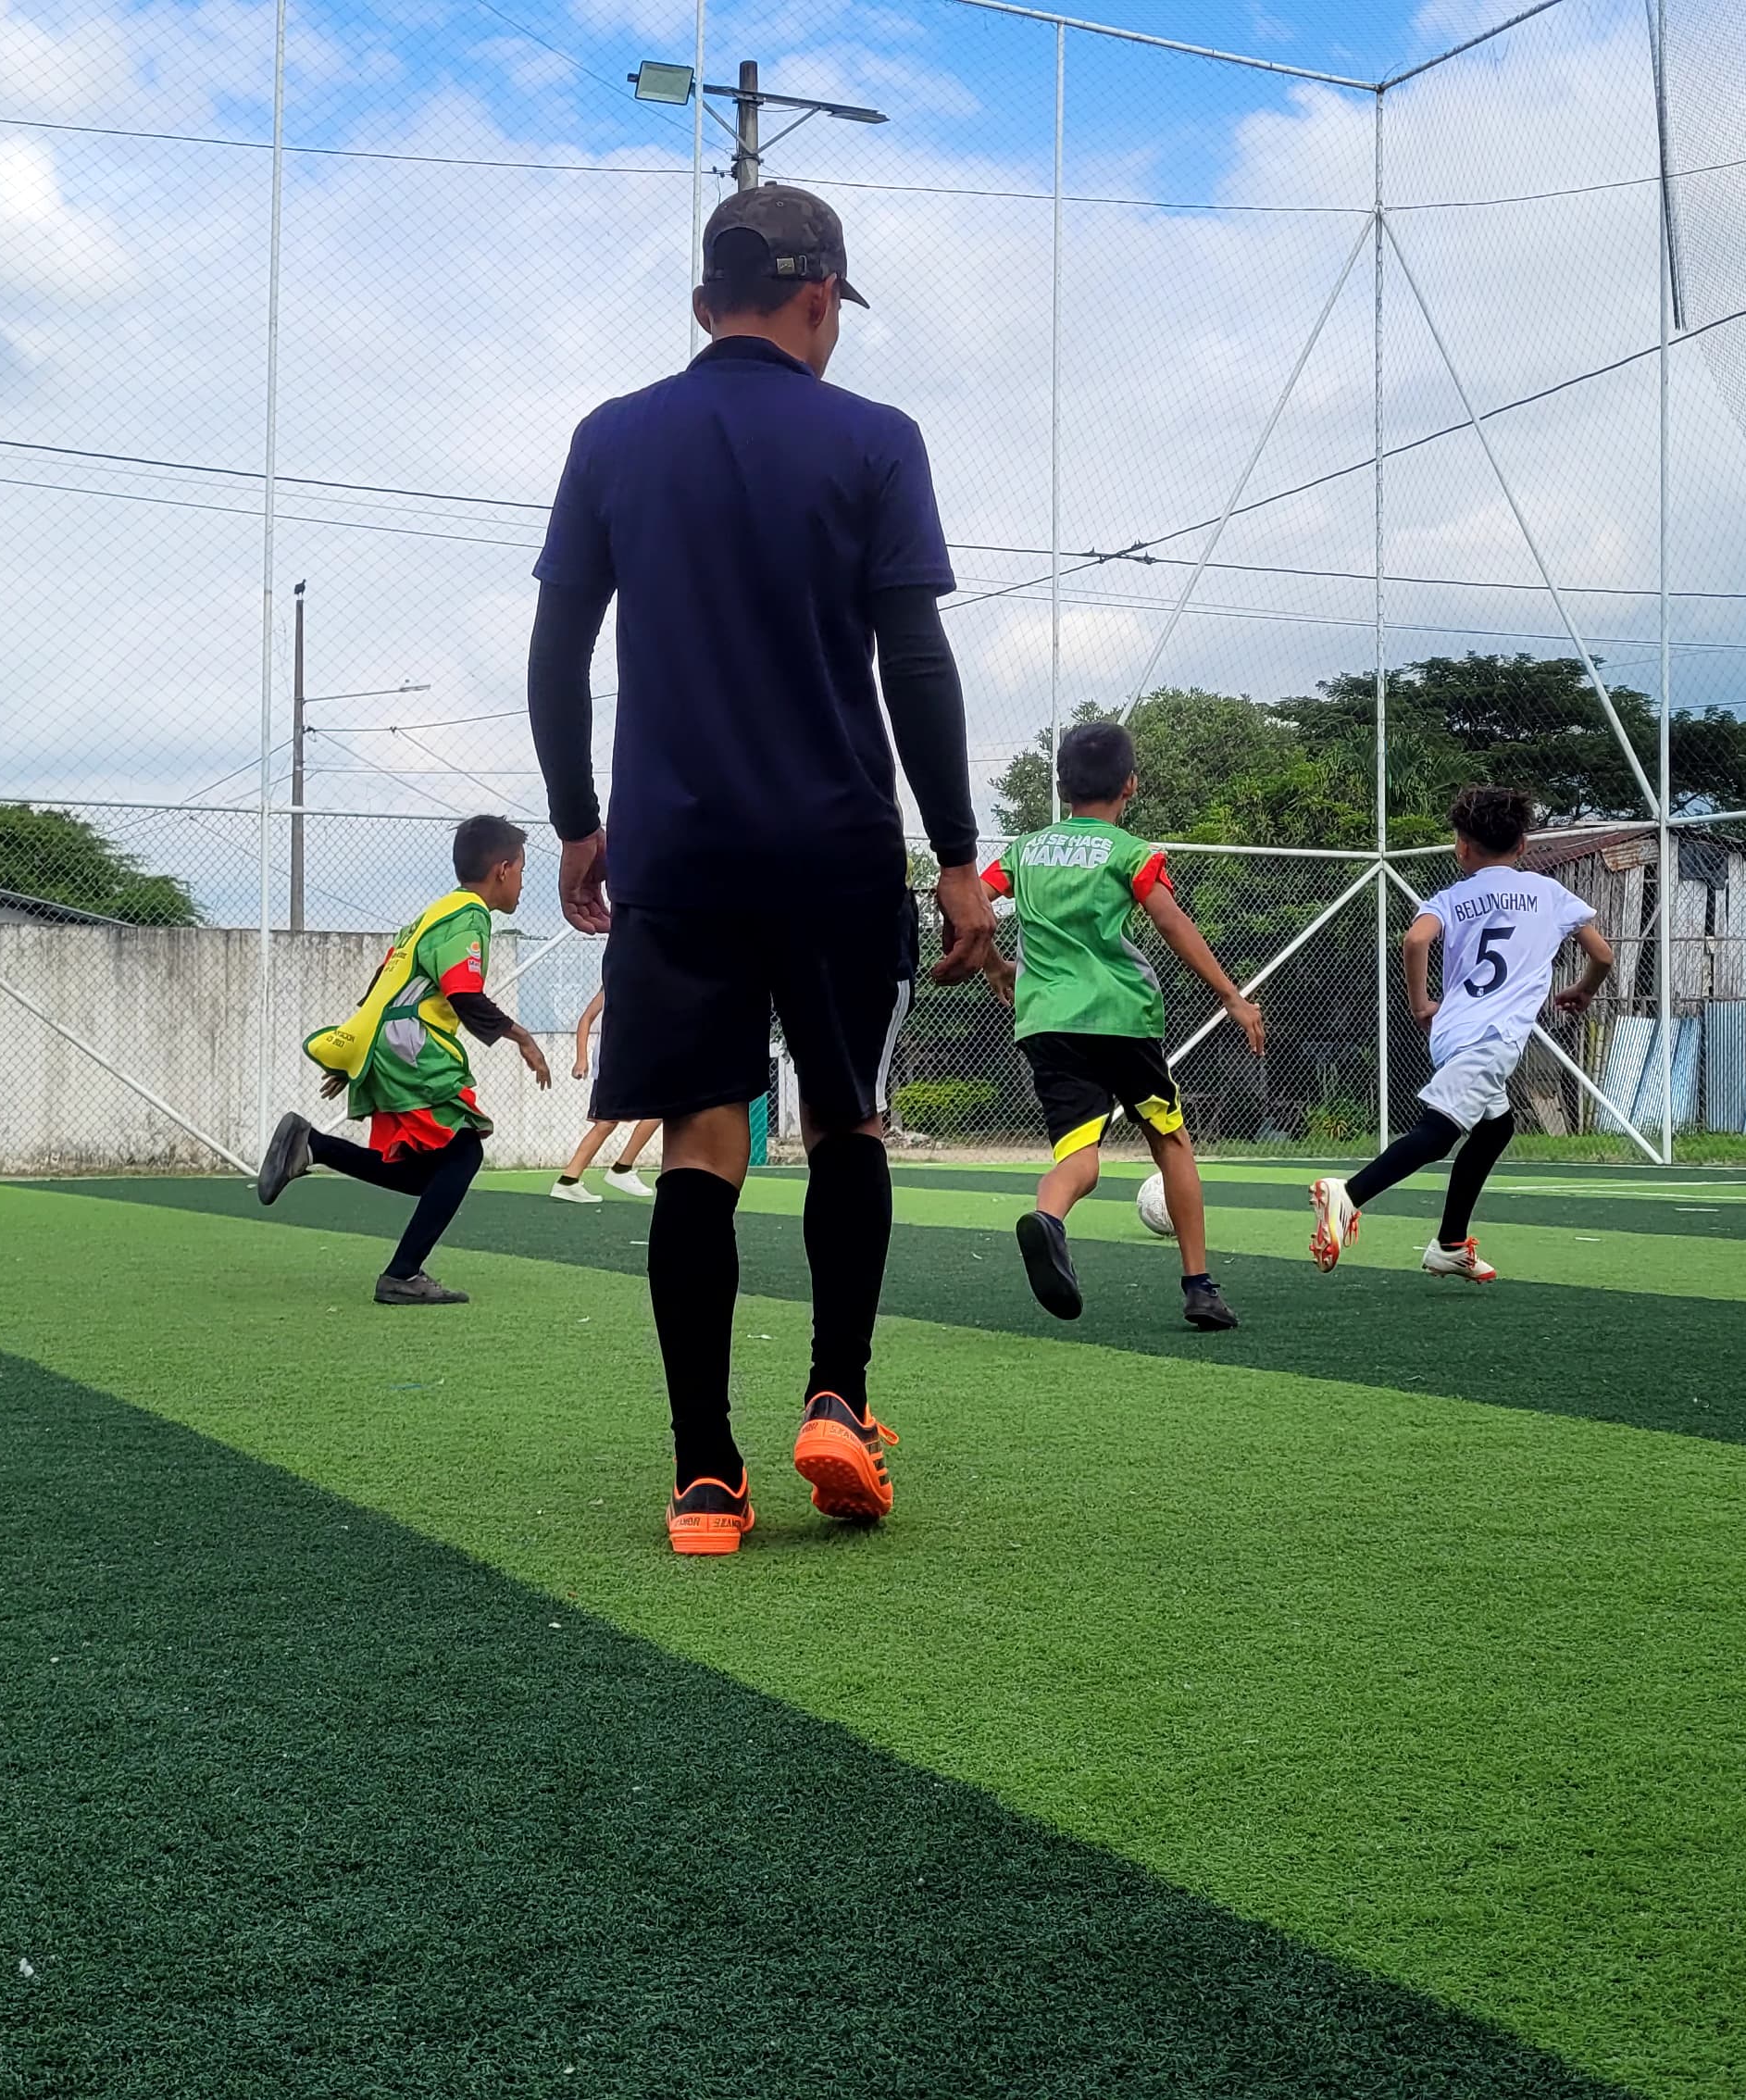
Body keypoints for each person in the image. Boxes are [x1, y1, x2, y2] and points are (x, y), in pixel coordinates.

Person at [525, 183, 997, 1556]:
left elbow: (557, 654)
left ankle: (703, 1480)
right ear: (819, 299)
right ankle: (838, 1401)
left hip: (677, 853)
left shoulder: (612, 437)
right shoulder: (876, 440)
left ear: (702, 305)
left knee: (700, 1142)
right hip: (835, 848)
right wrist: (957, 857)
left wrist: (578, 821)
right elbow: (916, 662)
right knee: (848, 1122)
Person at [990, 719, 1265, 1331]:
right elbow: (1171, 921)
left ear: (1061, 787)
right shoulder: (1133, 853)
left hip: (1046, 1022)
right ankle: (1199, 1287)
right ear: (1131, 785)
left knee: (1079, 1156)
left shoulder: (1022, 852)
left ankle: (1049, 1219)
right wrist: (1231, 996)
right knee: (1170, 1141)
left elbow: (968, 907)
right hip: (1122, 1019)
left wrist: (995, 967)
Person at [1304, 786, 1614, 1281]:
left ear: (1462, 848)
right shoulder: (1549, 893)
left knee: (1495, 1129)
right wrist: (1583, 989)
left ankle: (1450, 1244)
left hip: (1453, 1030)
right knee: (1438, 1134)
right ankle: (1348, 1195)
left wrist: (1420, 1004)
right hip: (1492, 1038)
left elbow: (1416, 939)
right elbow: (1603, 955)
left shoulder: (1449, 898)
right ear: (1523, 846)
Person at [254, 815, 553, 1302]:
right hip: (413, 1047)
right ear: (502, 870)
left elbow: (383, 984)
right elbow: (463, 993)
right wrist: (522, 1038)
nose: (522, 881)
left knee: (426, 1173)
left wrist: (358, 1051)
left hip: (389, 1043)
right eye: (521, 869)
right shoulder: (469, 916)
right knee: (464, 1152)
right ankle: (402, 1274)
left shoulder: (432, 914)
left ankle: (314, 1146)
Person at [548, 984, 659, 1203]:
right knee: (611, 1122)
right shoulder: (614, 984)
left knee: (648, 1111)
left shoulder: (650, 985)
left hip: (630, 1063)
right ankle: (618, 1170)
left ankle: (571, 1180)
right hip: (613, 1064)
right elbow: (586, 1018)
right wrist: (581, 1058)